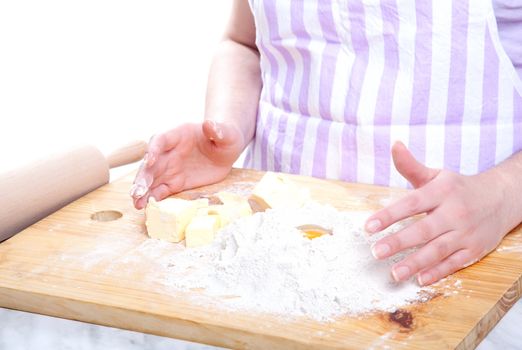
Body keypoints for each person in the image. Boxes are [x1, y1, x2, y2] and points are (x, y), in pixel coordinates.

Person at [130, 0, 522, 286]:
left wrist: (504, 194)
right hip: (272, 262)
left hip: (465, 268)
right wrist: (226, 127)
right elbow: (244, 43)